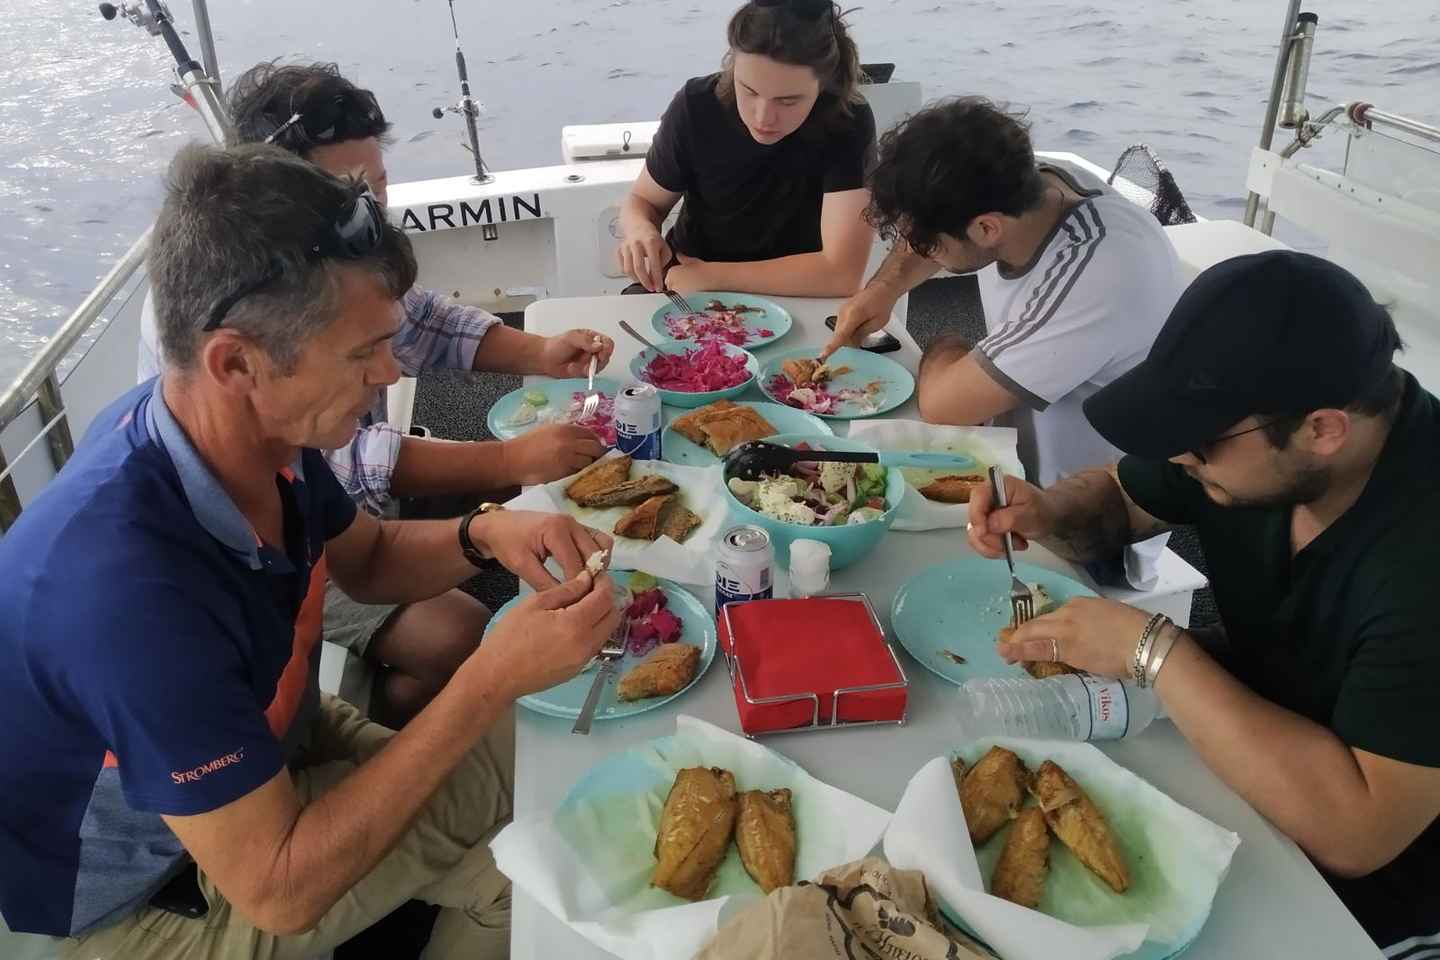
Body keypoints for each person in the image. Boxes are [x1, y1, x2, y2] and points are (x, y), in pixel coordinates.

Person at [0, 142, 620, 958]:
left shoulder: (248, 437)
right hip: (154, 893)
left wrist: (487, 533)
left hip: (273, 740)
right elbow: (281, 888)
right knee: (540, 880)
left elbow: (366, 559)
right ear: (237, 362)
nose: (391, 370)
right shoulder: (127, 597)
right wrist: (490, 676)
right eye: (363, 352)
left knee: (549, 778)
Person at [967, 251, 1440, 954]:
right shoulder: (1244, 439)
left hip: (1369, 896)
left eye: (1199, 446)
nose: (1182, 458)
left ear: (1324, 430)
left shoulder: (1422, 556)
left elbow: (1359, 830)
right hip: (1236, 746)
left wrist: (1151, 649)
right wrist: (1048, 511)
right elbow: (1126, 495)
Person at [138, 61, 616, 726]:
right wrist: (508, 467)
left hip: (329, 547)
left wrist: (539, 355)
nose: (394, 372)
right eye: (349, 193)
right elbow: (349, 471)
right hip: (264, 778)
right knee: (464, 635)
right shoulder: (147, 567)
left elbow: (417, 323)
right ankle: (408, 706)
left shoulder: (323, 281)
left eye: (378, 189)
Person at [823, 97, 1186, 585]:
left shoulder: (1099, 274)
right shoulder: (1030, 185)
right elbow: (927, 233)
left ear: (988, 228)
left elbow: (945, 404)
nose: (921, 249)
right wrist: (883, 289)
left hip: (1085, 520)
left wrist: (947, 342)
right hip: (1007, 459)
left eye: (933, 242)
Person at [617, 0, 876, 298]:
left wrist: (712, 276)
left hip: (793, 293)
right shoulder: (696, 106)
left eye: (787, 101)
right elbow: (643, 200)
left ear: (824, 86)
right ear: (733, 66)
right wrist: (640, 230)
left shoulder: (847, 121)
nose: (763, 117)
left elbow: (840, 275)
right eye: (749, 91)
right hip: (685, 285)